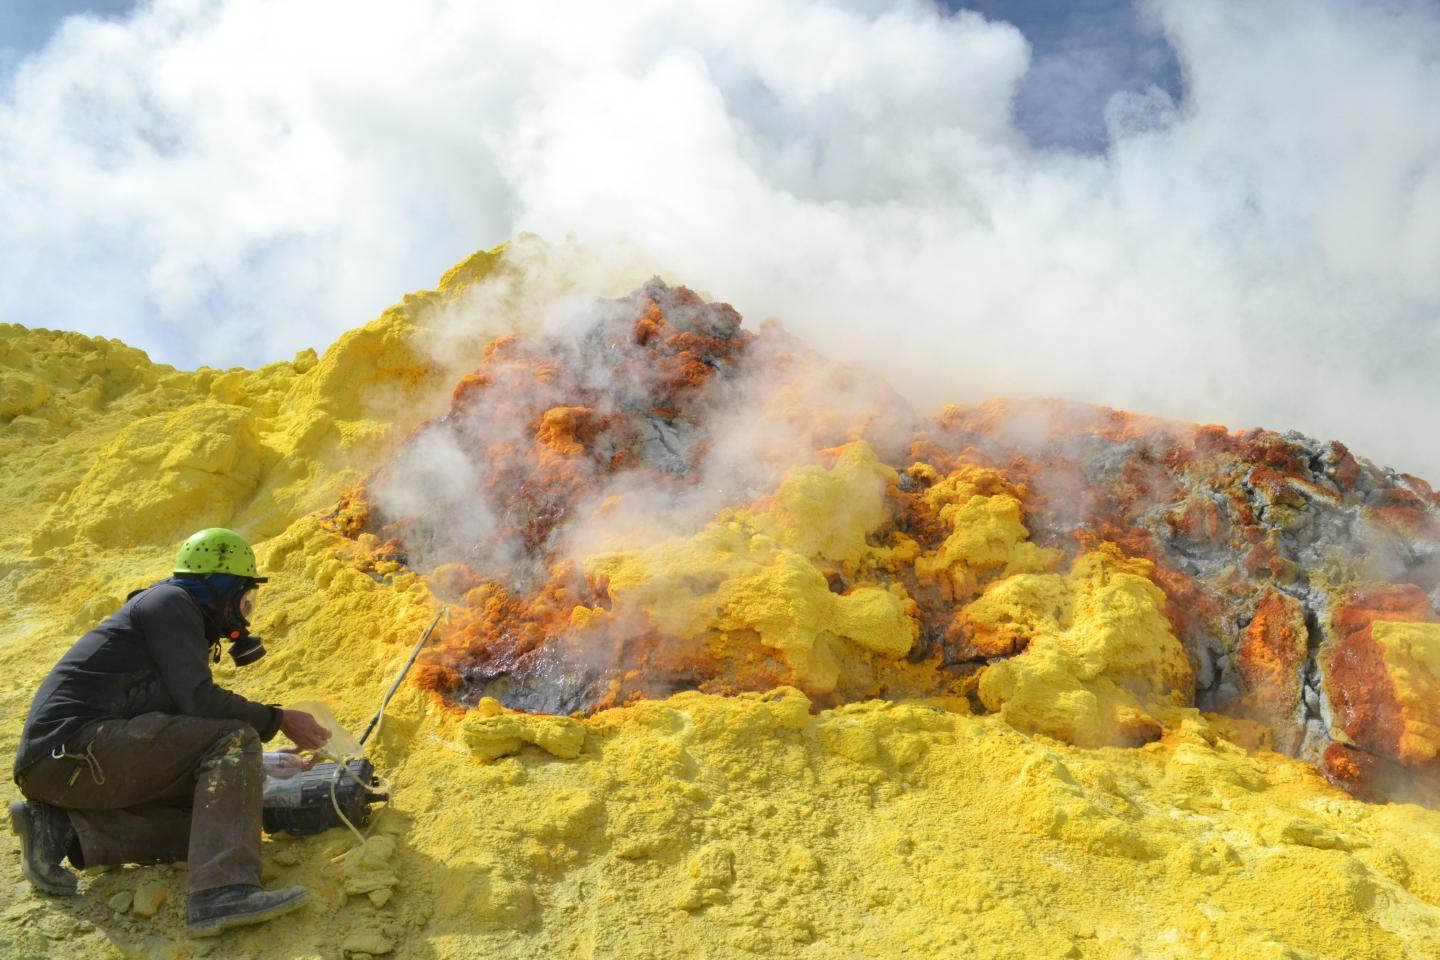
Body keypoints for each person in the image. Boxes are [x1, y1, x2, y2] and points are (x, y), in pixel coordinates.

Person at [8, 528, 331, 938]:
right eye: (245, 599)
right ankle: (222, 893)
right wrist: (278, 718)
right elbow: (200, 702)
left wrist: (258, 764)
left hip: (70, 764)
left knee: (214, 824)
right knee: (235, 738)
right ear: (221, 588)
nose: (244, 613)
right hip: (69, 750)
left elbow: (180, 733)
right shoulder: (171, 603)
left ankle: (63, 830)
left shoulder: (171, 617)